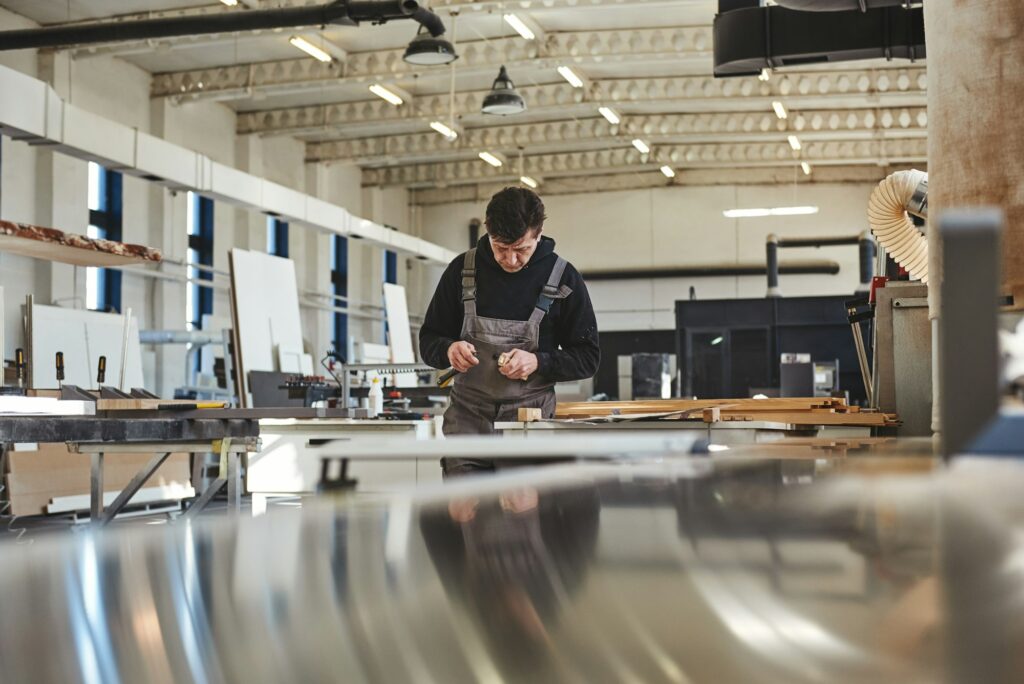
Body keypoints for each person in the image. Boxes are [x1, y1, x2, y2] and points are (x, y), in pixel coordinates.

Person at [419, 187, 600, 475]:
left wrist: (539, 362)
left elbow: (588, 357)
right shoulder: (461, 270)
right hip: (468, 419)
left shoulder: (564, 278)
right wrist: (448, 349)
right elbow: (429, 339)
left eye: (521, 249)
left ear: (538, 235)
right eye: (501, 248)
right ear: (488, 232)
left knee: (520, 511)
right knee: (464, 508)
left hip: (528, 422)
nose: (511, 260)